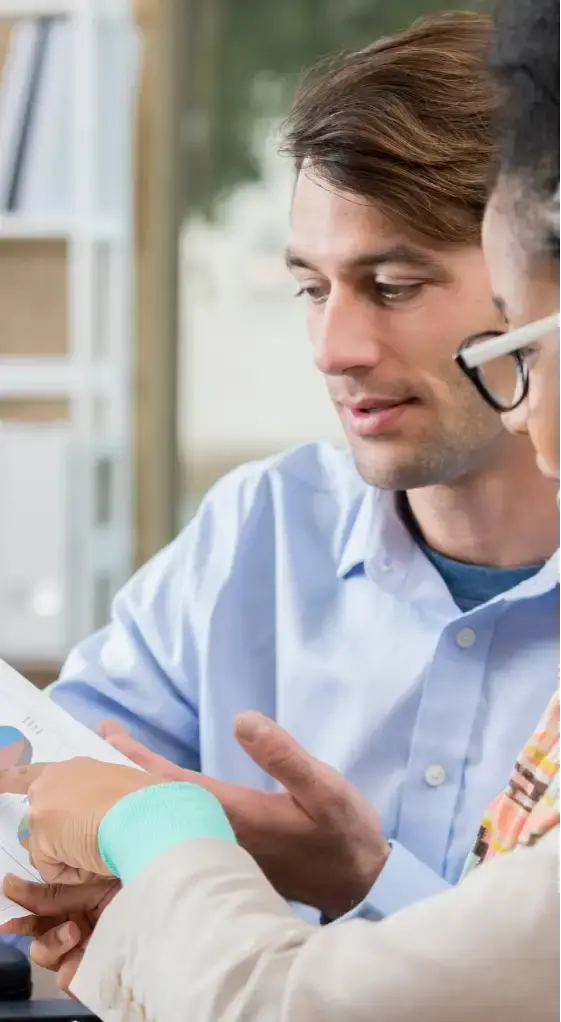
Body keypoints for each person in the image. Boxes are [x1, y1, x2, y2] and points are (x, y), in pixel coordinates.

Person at [0, 0, 559, 1017]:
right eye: (309, 287)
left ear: (528, 282)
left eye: (390, 285)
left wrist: (360, 875)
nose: (332, 348)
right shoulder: (256, 531)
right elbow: (43, 804)